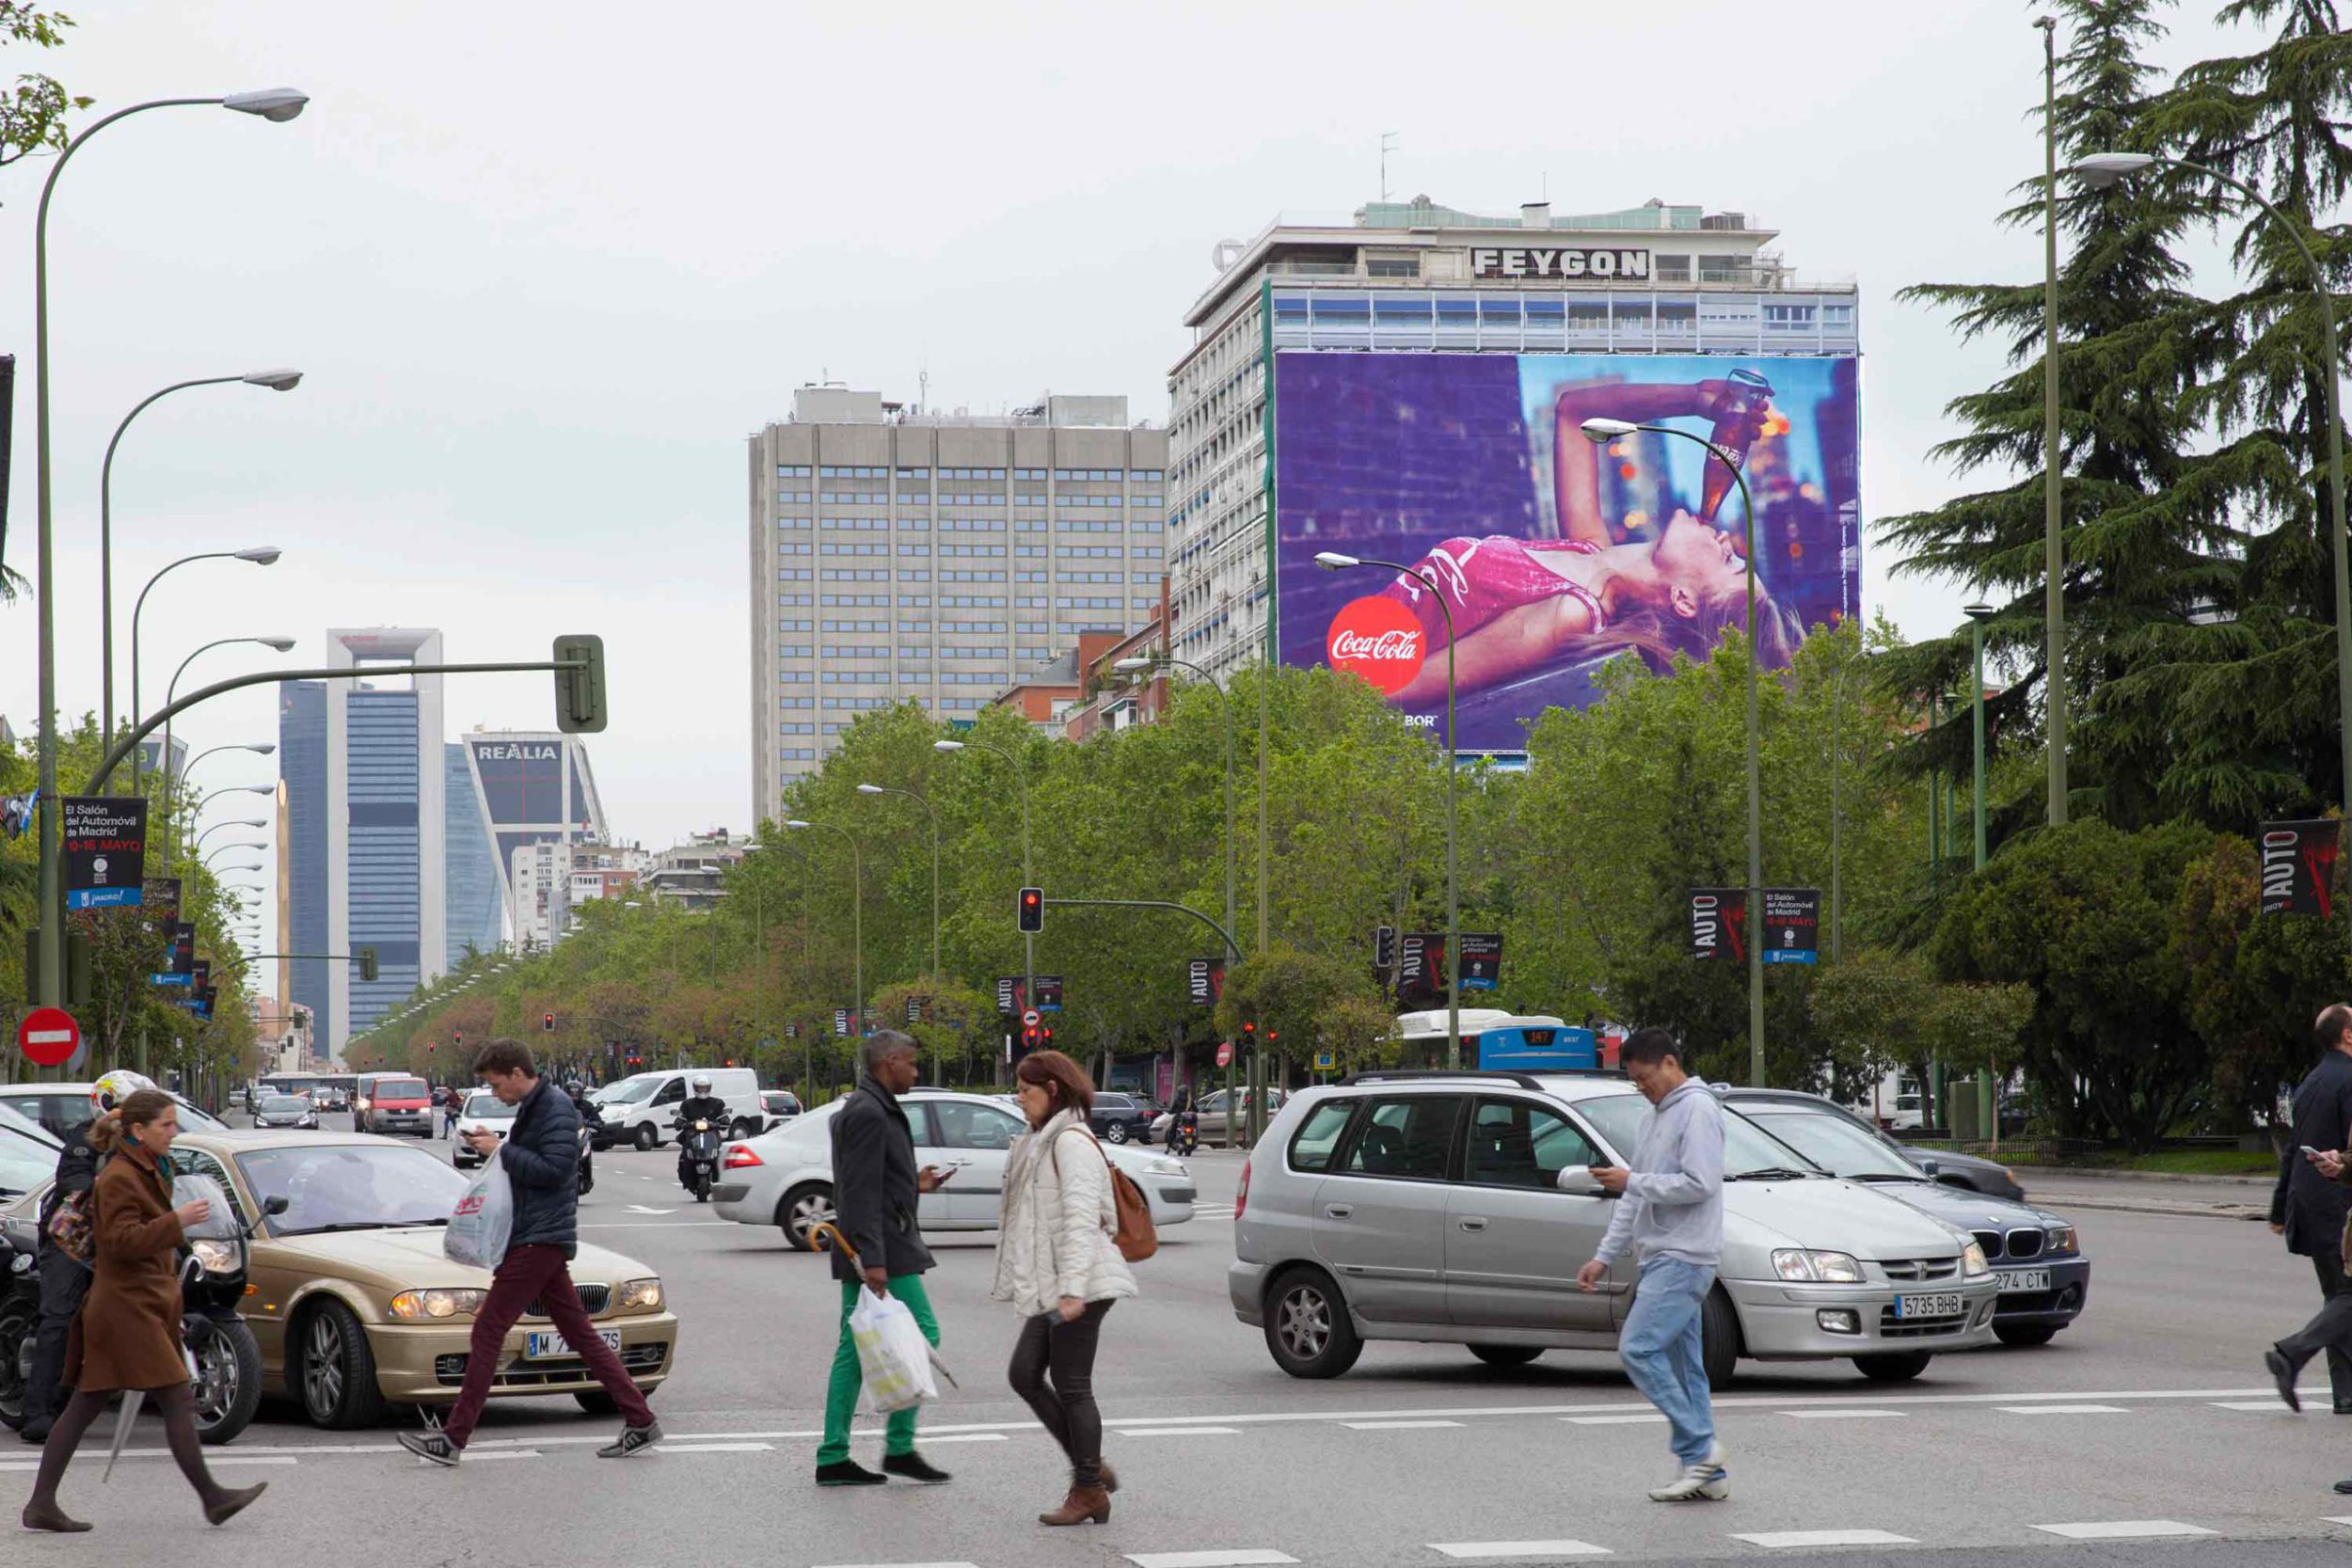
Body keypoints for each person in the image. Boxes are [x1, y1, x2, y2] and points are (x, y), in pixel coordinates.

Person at [397, 1039, 660, 1466]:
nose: (496, 1093)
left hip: (539, 1239)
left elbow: (556, 1170)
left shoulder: (554, 1107)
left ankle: (452, 1438)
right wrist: (500, 1142)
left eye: (497, 1085)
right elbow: (538, 1159)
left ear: (518, 1073)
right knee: (579, 1334)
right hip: (539, 1236)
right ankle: (640, 1419)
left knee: (487, 1331)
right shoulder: (537, 1106)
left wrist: (500, 1150)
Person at [20, 1087, 267, 1532]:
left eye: (174, 1124)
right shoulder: (119, 1176)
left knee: (85, 1405)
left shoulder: (150, 1167)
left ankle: (40, 1503)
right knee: (175, 1396)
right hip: (124, 1308)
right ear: (138, 1130)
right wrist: (177, 1222)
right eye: (165, 1126)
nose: (174, 1132)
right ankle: (212, 1498)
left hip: (141, 1303)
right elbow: (119, 1242)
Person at [1576, 1027, 1728, 1502]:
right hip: (1664, 1254)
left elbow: (1701, 1183)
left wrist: (1634, 1181)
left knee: (1638, 1349)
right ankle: (1708, 1474)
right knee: (1686, 1370)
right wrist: (1603, 1256)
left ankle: (1701, 1450)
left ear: (1669, 1063)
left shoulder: (1699, 1110)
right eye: (1635, 1081)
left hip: (1685, 1255)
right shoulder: (1653, 1119)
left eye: (1645, 1078)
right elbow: (1632, 1195)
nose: (1642, 1087)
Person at [993, 1050, 1137, 1526]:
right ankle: (1089, 1467)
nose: (1019, 1098)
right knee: (1025, 1373)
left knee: (1073, 1386)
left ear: (1053, 1090)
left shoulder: (1070, 1142)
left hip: (1081, 1285)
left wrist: (1073, 1289)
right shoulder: (1043, 1139)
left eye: (1026, 1090)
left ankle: (1089, 1487)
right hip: (1058, 1285)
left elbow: (1078, 1221)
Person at [816, 1030, 954, 1487]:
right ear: (890, 1061)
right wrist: (872, 1259)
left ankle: (845, 1453)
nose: (916, 1072)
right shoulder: (869, 1112)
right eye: (911, 1064)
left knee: (856, 1345)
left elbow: (873, 1181)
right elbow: (857, 1192)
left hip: (879, 1242)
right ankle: (888, 1448)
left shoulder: (873, 1107)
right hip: (879, 1248)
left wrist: (914, 1184)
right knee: (915, 1331)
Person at [20, 1069, 146, 1445]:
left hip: (118, 1238)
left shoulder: (146, 1146)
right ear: (108, 1106)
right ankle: (37, 1412)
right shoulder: (86, 1138)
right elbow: (74, 1179)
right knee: (60, 1315)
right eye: (129, 1110)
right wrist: (98, 1195)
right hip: (72, 1238)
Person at [2267, 1004, 2352, 1417]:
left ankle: (2346, 1393)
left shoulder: (2311, 1082)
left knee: (2340, 1299)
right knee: (2346, 1299)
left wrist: (2280, 1206)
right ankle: (2292, 1354)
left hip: (2312, 1203)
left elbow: (2292, 1153)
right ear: (2348, 1036)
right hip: (2340, 1207)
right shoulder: (2350, 1079)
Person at [674, 1074, 729, 1185]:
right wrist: (681, 1123)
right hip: (692, 1133)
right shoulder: (687, 1104)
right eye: (700, 1088)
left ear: (709, 1088)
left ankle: (719, 1177)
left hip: (711, 1133)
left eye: (705, 1088)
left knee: (721, 1153)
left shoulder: (717, 1103)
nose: (702, 1090)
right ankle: (686, 1175)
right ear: (695, 1088)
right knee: (685, 1152)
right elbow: (680, 1118)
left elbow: (724, 1117)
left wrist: (724, 1121)